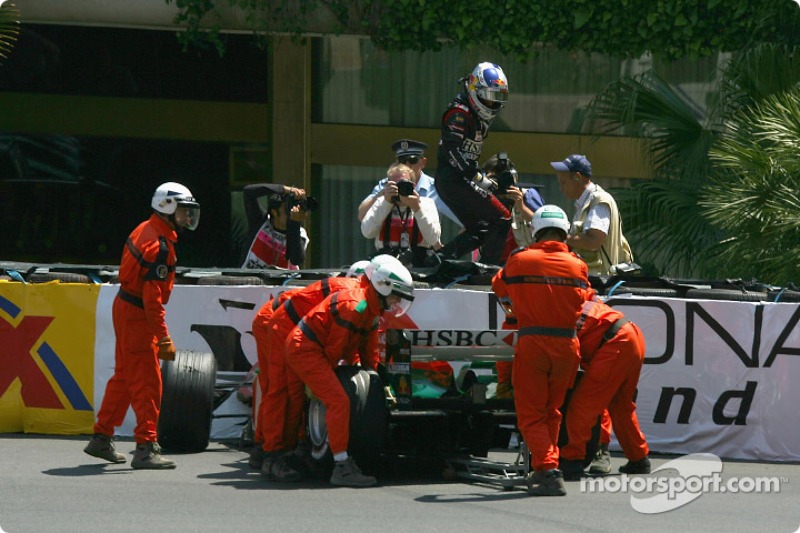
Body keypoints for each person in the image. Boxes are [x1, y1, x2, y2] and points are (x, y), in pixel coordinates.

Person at [83, 182, 200, 469]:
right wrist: (163, 338)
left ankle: (101, 437)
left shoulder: (146, 228)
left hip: (125, 307)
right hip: (137, 315)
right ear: (168, 208)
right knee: (148, 382)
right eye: (184, 211)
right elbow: (153, 300)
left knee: (124, 377)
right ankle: (146, 448)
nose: (188, 218)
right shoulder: (159, 246)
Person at [284, 257, 415, 487]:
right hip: (304, 348)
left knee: (329, 398)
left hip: (312, 346)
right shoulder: (355, 305)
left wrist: (377, 386)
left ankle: (308, 450)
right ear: (383, 287)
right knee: (337, 400)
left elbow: (368, 353)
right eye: (396, 295)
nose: (397, 301)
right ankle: (341, 467)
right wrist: (320, 384)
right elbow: (334, 351)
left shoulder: (370, 306)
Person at [491, 205, 591, 496]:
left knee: (531, 414)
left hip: (533, 342)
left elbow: (498, 287)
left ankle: (547, 469)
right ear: (565, 231)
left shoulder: (519, 259)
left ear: (535, 230)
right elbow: (586, 296)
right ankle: (548, 465)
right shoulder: (578, 264)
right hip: (567, 344)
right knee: (552, 410)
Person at [251, 260, 372, 480]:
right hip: (280, 322)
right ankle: (272, 452)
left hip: (290, 323)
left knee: (289, 392)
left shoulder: (360, 299)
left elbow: (352, 347)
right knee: (280, 390)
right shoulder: (352, 299)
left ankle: (270, 446)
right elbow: (335, 344)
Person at [559, 296, 651, 480]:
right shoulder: (575, 303)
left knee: (582, 406)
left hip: (615, 342)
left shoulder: (555, 319)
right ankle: (639, 458)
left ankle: (571, 462)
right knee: (621, 406)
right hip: (632, 335)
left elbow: (569, 358)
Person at [435, 62, 512, 265]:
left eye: (498, 98)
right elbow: (451, 150)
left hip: (457, 180)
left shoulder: (474, 114)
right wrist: (476, 176)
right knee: (503, 218)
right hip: (453, 179)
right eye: (489, 97)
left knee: (482, 228)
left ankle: (437, 260)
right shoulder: (459, 114)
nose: (493, 104)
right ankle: (488, 270)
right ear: (474, 90)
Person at [551, 154, 633, 277]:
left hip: (600, 281)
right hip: (591, 279)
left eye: (563, 183)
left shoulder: (598, 200)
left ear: (577, 177)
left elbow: (593, 241)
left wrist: (560, 239)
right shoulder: (586, 202)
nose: (561, 188)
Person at [357, 139, 460, 226]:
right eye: (402, 160)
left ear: (423, 162)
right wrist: (382, 195)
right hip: (390, 247)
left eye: (412, 160)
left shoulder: (436, 189)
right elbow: (362, 216)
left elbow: (465, 223)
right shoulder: (387, 185)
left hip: (424, 248)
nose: (407, 165)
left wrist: (450, 249)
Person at [361, 162, 441, 267]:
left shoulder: (426, 204)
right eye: (395, 184)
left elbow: (434, 239)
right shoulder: (382, 202)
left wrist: (417, 209)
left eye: (403, 184)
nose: (399, 188)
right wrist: (386, 203)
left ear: (414, 185)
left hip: (419, 264)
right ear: (388, 185)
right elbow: (367, 232)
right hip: (386, 264)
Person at [241, 182, 310, 270]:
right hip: (249, 281)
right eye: (287, 210)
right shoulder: (261, 222)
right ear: (274, 212)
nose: (292, 213)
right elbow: (248, 191)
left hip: (281, 283)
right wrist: (284, 189)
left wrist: (295, 223)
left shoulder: (300, 233)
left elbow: (296, 259)